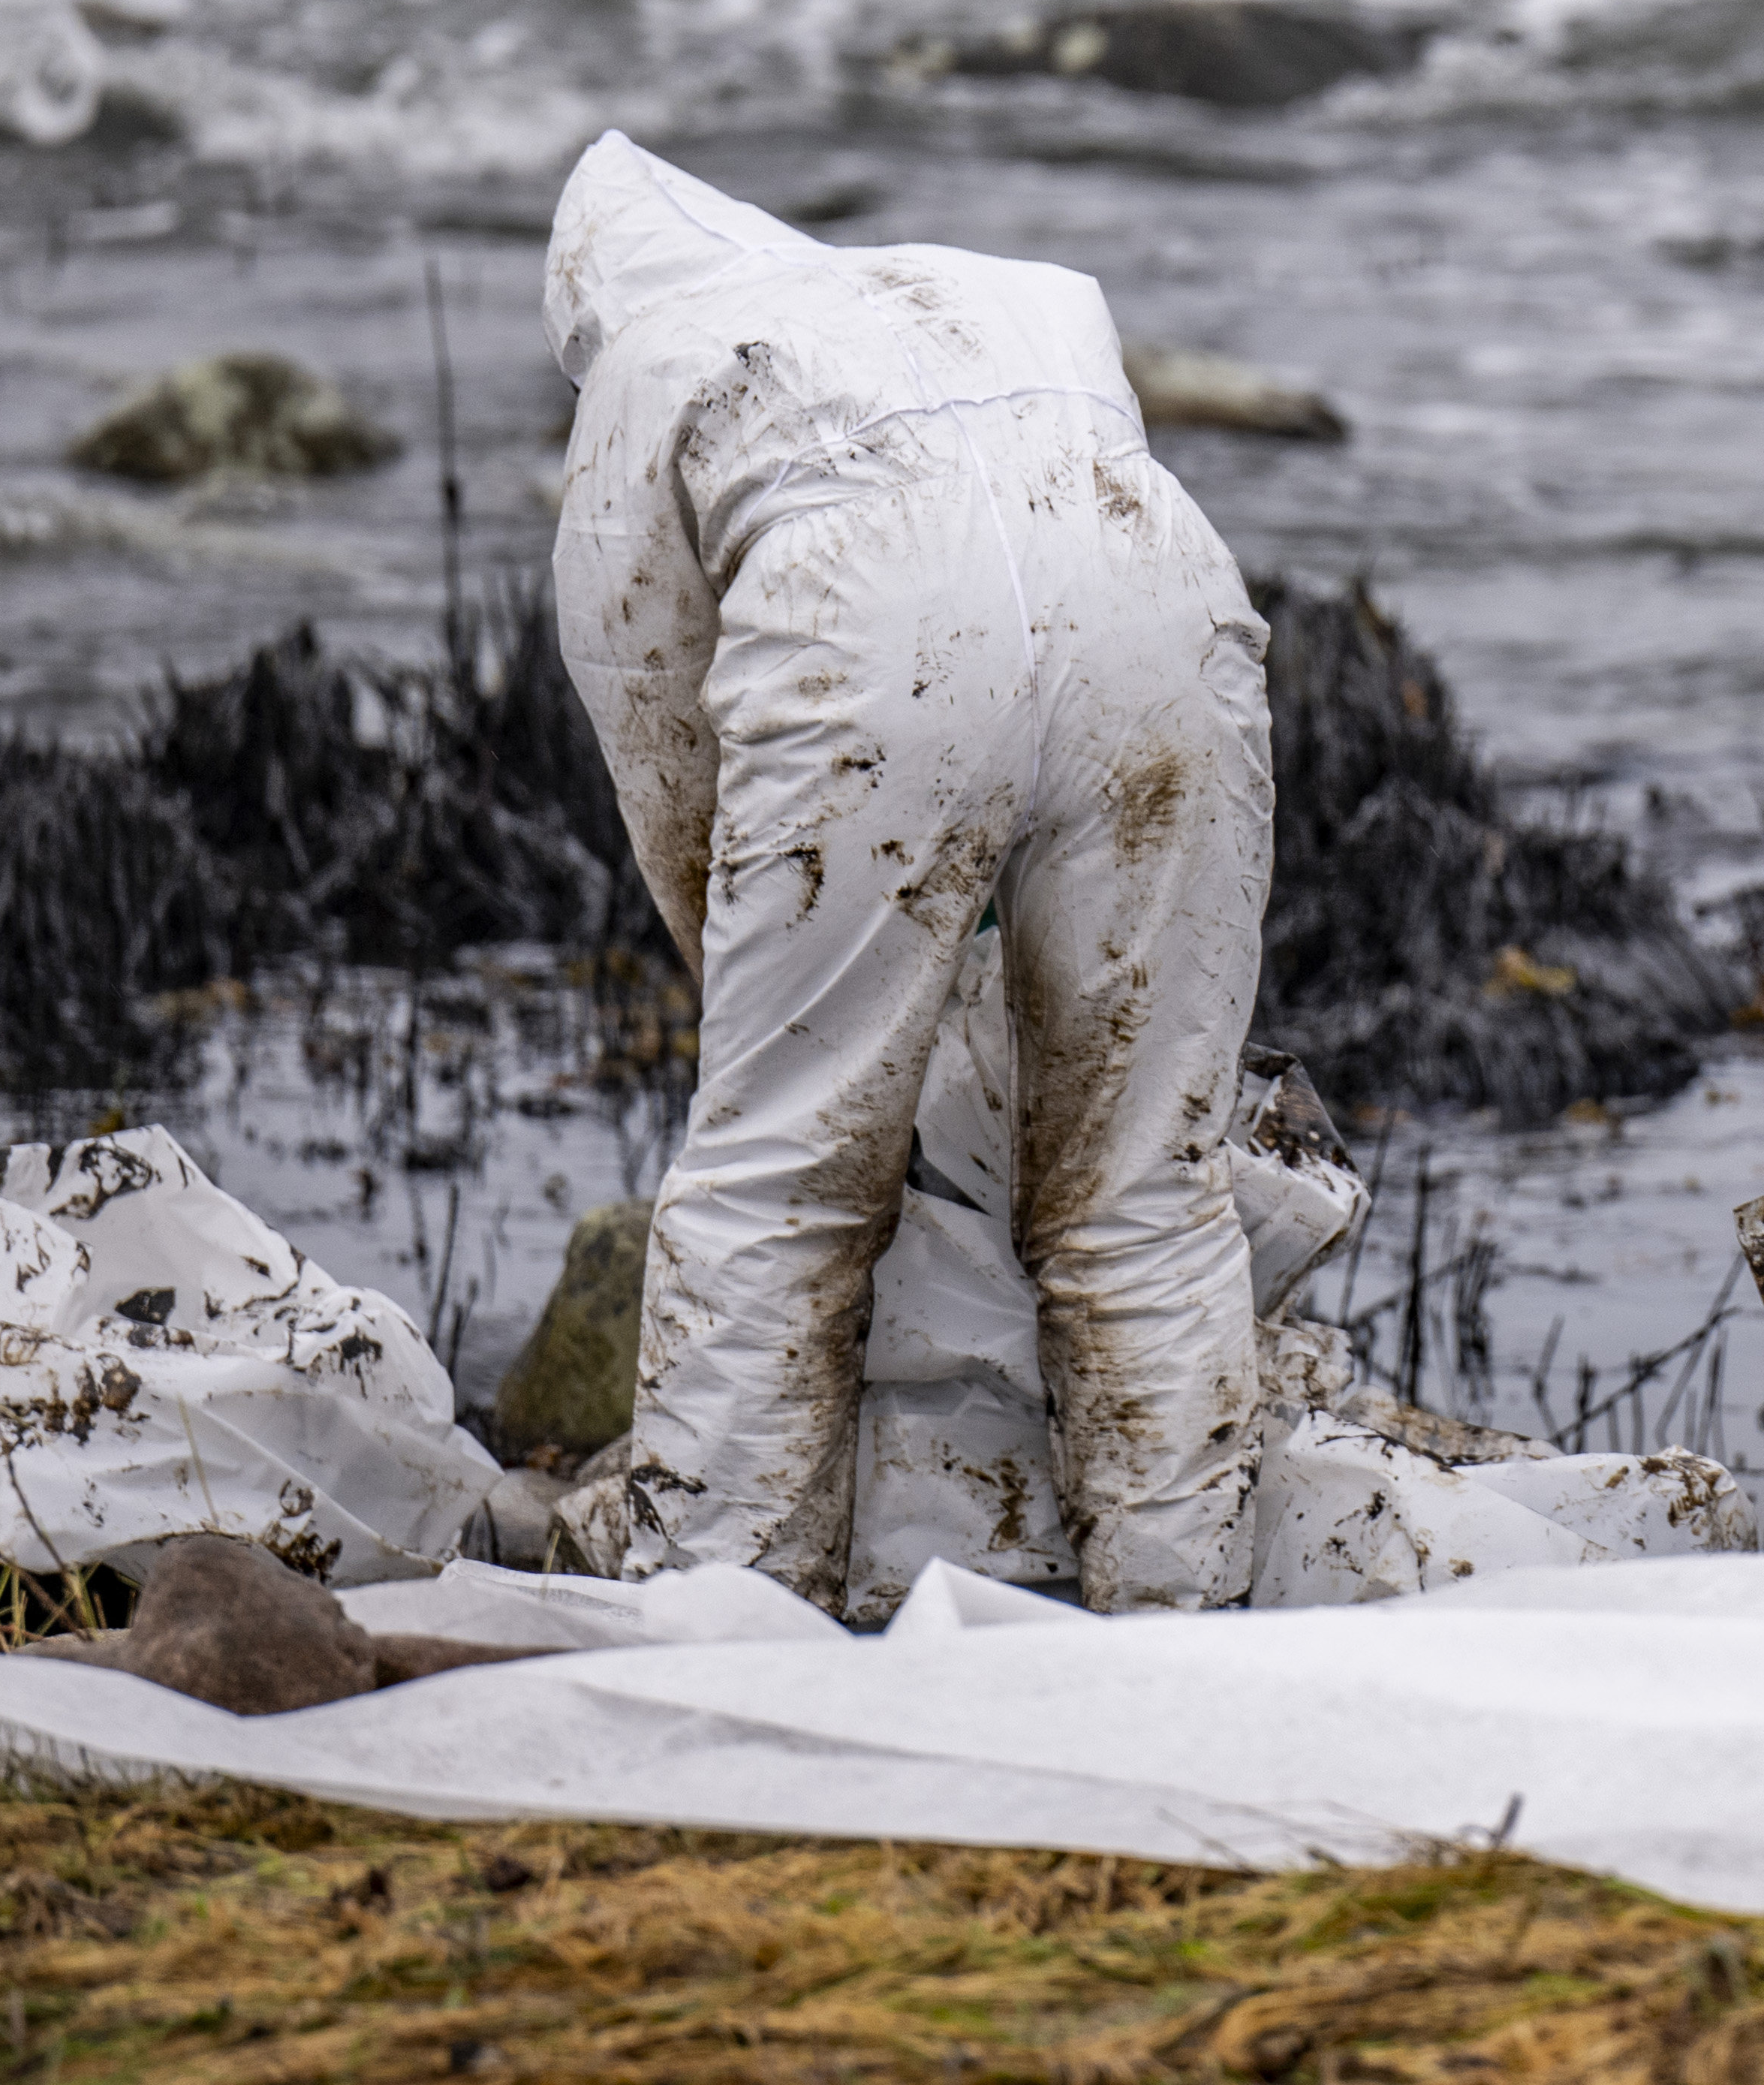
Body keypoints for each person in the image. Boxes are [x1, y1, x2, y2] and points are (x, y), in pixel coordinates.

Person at [537, 132, 1278, 1613]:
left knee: (779, 1176)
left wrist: (811, 999)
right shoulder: (1014, 294)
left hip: (872, 642)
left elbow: (669, 761)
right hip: (1170, 614)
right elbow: (1050, 576)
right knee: (1142, 1187)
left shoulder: (647, 369)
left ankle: (734, 1634)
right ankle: (1184, 1639)